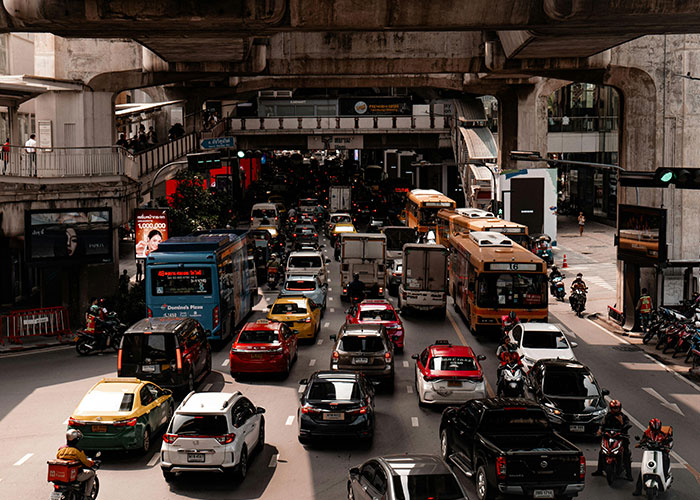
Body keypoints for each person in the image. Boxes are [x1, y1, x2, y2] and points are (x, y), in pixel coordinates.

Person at [591, 400, 633, 480]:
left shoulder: (623, 417)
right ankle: (599, 470)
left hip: (620, 438)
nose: (615, 410)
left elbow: (627, 425)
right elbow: (602, 425)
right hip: (609, 437)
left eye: (616, 408)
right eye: (614, 408)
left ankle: (629, 474)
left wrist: (621, 422)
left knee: (626, 454)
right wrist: (600, 431)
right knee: (602, 452)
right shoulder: (607, 416)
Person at [633, 418, 673, 496]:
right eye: (654, 429)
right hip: (650, 452)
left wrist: (666, 446)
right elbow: (643, 440)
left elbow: (669, 442)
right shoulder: (647, 433)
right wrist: (640, 444)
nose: (655, 431)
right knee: (642, 469)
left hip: (661, 452)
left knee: (665, 460)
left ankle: (664, 476)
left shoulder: (663, 434)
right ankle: (638, 489)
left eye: (657, 429)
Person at [56, 429, 96, 498]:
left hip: (61, 475)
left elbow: (58, 459)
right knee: (92, 473)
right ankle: (87, 495)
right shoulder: (78, 451)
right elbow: (86, 463)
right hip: (75, 475)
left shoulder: (61, 449)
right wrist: (92, 463)